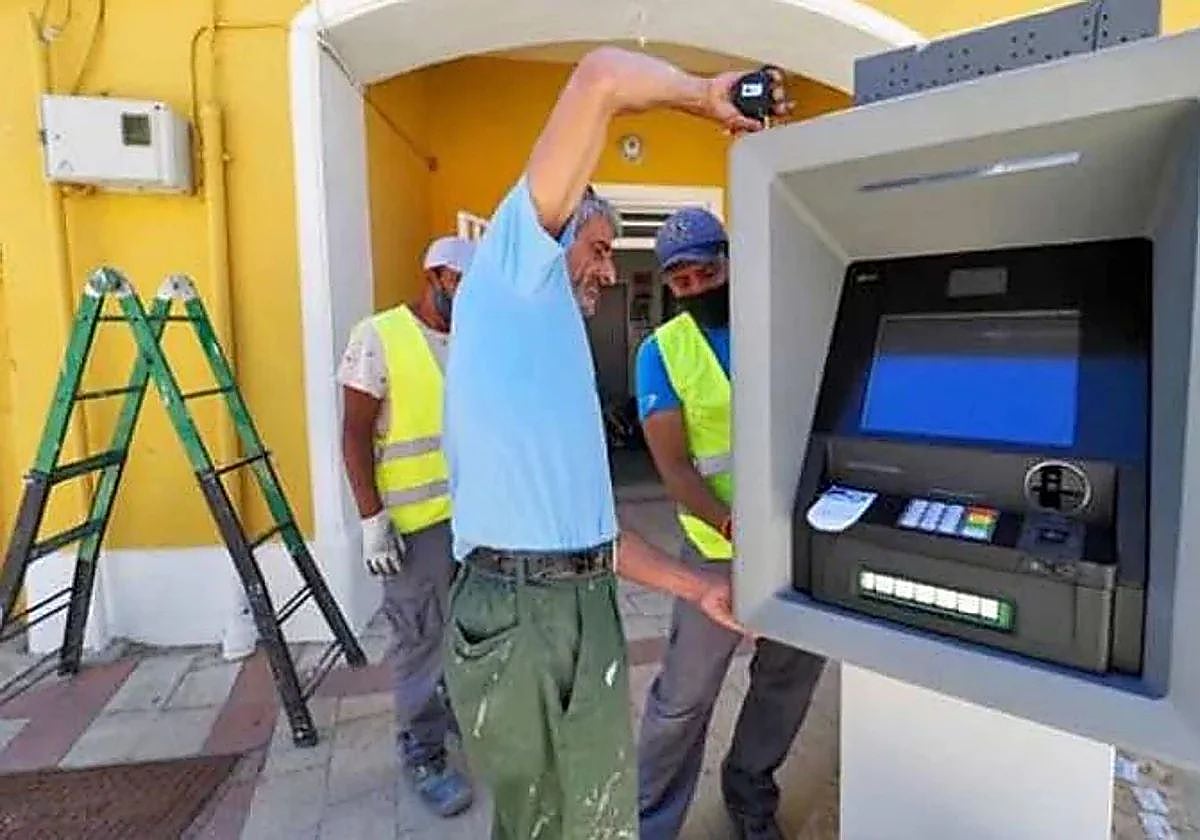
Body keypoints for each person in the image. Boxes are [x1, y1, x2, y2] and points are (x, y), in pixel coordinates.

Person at [442, 47, 791, 840]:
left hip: (580, 599)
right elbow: (600, 76)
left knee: (598, 816)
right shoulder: (511, 273)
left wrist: (694, 587)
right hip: (516, 611)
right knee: (541, 823)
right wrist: (704, 95)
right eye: (598, 248)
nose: (608, 270)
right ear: (552, 236)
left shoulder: (553, 347)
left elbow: (592, 534)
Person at [634, 208, 826, 840]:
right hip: (715, 551)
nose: (695, 289)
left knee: (786, 681)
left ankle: (749, 793)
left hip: (796, 545)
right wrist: (726, 523)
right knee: (684, 696)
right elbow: (674, 467)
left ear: (730, 263)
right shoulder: (661, 352)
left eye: (706, 273)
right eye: (681, 281)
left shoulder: (782, 325)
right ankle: (647, 818)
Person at [338, 234, 476, 817]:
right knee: (419, 639)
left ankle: (450, 714)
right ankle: (422, 753)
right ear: (435, 276)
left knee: (466, 631)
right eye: (461, 284)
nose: (468, 297)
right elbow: (353, 435)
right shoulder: (380, 336)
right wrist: (372, 519)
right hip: (414, 528)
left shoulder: (472, 339)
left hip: (472, 522)